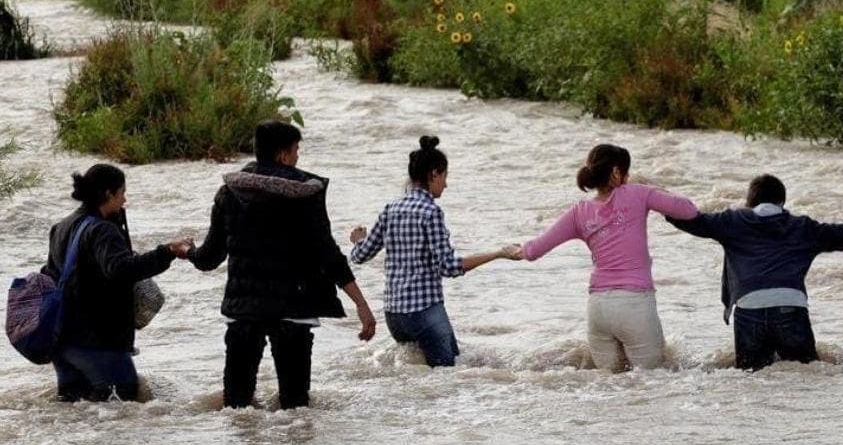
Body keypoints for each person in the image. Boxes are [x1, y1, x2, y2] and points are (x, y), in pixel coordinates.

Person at [188, 120, 377, 409]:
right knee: (296, 408)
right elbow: (329, 256)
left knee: (236, 408)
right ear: (282, 156)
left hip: (244, 311)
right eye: (296, 150)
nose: (298, 156)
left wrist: (186, 251)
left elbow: (210, 257)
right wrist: (361, 305)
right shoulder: (306, 195)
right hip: (294, 310)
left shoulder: (229, 194)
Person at [666, 174, 843, 371]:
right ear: (782, 202)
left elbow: (693, 221)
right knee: (807, 372)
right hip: (791, 307)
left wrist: (655, 202)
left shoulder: (732, 221)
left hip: (749, 308)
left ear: (749, 202)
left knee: (750, 380)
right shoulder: (803, 227)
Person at [514, 143, 699, 371]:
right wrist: (654, 188)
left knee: (608, 389)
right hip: (635, 304)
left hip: (598, 308)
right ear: (616, 172)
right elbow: (689, 210)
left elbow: (533, 251)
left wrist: (508, 251)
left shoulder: (578, 212)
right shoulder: (638, 193)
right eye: (627, 172)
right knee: (653, 386)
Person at [348, 135, 518, 367]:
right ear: (434, 174)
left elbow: (359, 255)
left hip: (394, 316)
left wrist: (359, 240)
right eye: (445, 177)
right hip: (424, 311)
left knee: (417, 378)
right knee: (449, 375)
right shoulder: (431, 212)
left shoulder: (391, 209)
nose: (446, 185)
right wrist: (498, 253)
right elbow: (449, 267)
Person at [46, 164, 192, 402]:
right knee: (123, 410)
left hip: (63, 342)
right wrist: (168, 251)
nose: (125, 199)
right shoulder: (103, 231)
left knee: (77, 417)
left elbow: (50, 274)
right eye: (122, 192)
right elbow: (121, 269)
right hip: (98, 343)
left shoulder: (61, 227)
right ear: (108, 194)